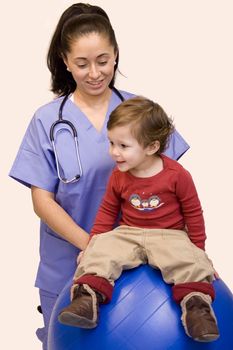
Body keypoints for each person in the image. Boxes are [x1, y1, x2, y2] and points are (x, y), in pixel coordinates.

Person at [9, 3, 189, 350]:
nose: (94, 72)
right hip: (68, 264)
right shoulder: (47, 120)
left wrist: (188, 252)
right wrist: (92, 246)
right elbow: (41, 200)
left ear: (116, 54)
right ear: (65, 60)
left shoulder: (142, 113)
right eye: (82, 63)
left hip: (143, 266)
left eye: (103, 60)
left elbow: (175, 185)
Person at [58, 96, 219, 343]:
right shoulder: (119, 175)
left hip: (170, 234)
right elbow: (107, 211)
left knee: (189, 263)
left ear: (151, 147)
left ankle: (196, 308)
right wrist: (93, 243)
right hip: (129, 232)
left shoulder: (177, 175)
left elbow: (193, 213)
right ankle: (86, 298)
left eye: (123, 146)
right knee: (101, 251)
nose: (114, 152)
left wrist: (198, 250)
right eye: (111, 143)